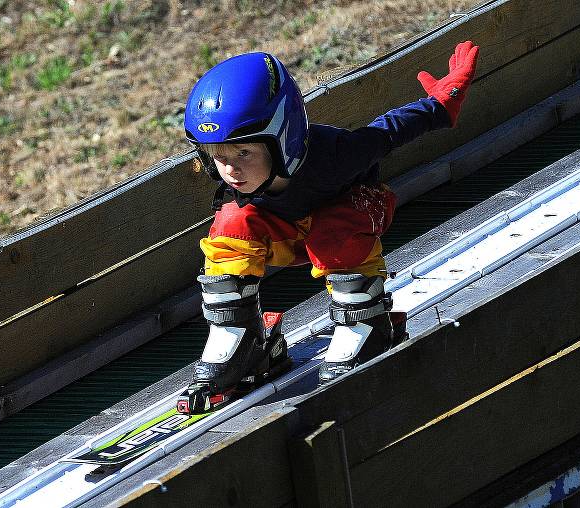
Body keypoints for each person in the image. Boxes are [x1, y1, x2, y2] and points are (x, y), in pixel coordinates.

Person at [180, 42, 480, 405]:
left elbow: (387, 132)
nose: (231, 169)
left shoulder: (335, 154)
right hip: (292, 236)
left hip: (357, 216)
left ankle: (365, 323)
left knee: (332, 227)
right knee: (230, 223)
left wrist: (441, 104)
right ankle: (243, 339)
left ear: (281, 136)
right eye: (219, 156)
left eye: (244, 152)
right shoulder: (236, 183)